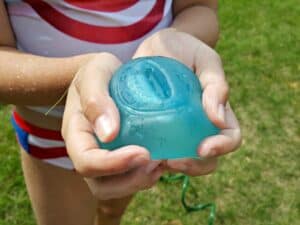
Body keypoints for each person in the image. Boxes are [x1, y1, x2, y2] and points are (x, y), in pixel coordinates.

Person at [0, 1, 241, 225]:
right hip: (51, 139)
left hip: (141, 136)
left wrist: (181, 37)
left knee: (113, 210)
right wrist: (75, 77)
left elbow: (199, 8)